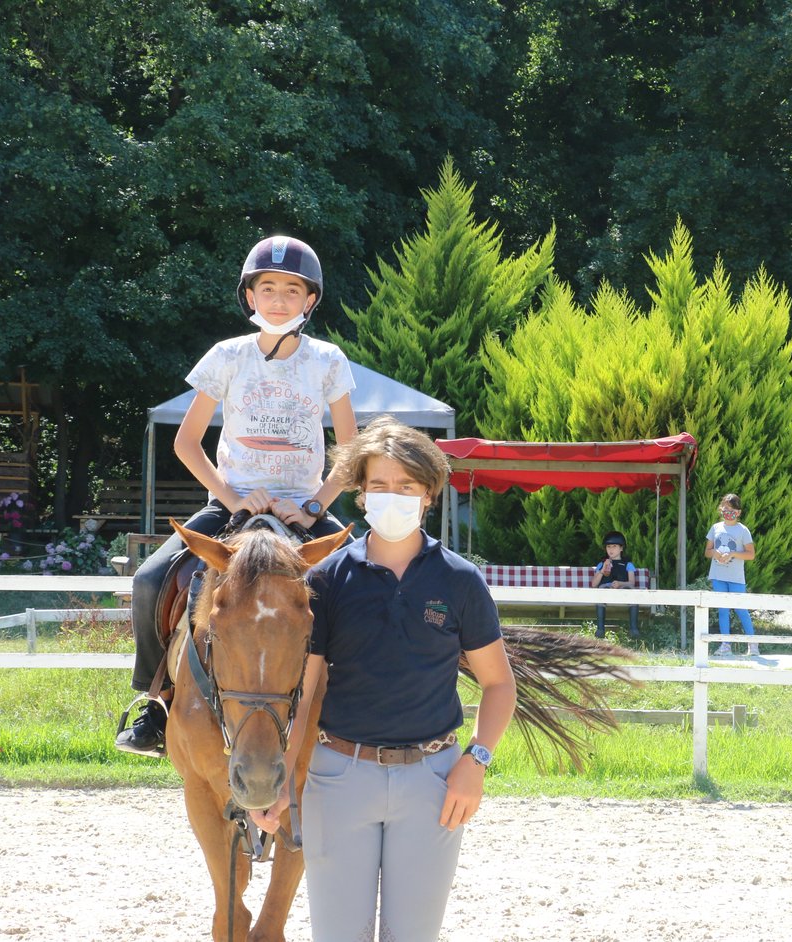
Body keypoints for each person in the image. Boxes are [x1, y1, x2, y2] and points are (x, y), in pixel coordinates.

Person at [251, 415, 517, 942]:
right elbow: (308, 690)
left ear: (428, 495)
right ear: (360, 493)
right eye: (379, 485)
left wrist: (477, 761)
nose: (392, 495)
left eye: (406, 486)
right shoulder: (326, 579)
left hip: (434, 782)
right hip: (337, 776)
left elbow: (498, 683)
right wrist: (285, 774)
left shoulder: (461, 581)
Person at [115, 235, 358, 756]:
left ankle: (361, 707)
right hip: (231, 504)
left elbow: (352, 450)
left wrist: (314, 505)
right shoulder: (226, 356)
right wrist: (230, 499)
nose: (278, 299)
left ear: (309, 301)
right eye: (267, 287)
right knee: (151, 578)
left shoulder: (329, 361)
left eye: (291, 290)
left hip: (303, 508)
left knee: (367, 587)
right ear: (249, 296)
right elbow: (186, 442)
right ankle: (154, 705)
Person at [705, 493, 757, 656]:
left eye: (733, 509)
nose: (729, 512)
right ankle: (725, 645)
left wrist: (733, 554)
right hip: (718, 575)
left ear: (739, 512)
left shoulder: (743, 530)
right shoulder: (715, 528)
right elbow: (707, 551)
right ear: (721, 509)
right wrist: (715, 553)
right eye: (726, 508)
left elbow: (750, 554)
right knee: (723, 610)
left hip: (736, 578)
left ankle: (753, 644)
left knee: (741, 610)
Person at [591, 529, 640, 640]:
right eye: (608, 547)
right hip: (606, 591)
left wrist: (620, 583)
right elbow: (594, 584)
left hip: (624, 591)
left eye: (614, 546)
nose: (611, 550)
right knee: (601, 591)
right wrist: (602, 570)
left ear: (621, 548)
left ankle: (633, 629)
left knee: (633, 592)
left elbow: (632, 582)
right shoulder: (602, 564)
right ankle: (600, 629)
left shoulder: (628, 564)